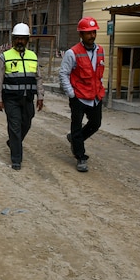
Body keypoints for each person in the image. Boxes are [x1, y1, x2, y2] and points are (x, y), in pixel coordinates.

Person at [0, 23, 44, 170]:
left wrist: (40, 96)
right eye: (17, 39)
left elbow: (38, 78)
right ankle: (16, 158)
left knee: (27, 123)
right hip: (11, 99)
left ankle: (13, 142)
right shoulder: (5, 57)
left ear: (27, 40)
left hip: (28, 98)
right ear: (13, 39)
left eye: (23, 39)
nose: (20, 42)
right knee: (14, 126)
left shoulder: (32, 56)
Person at [59, 16, 106, 172]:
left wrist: (101, 88)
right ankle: (80, 157)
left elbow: (98, 73)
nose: (92, 36)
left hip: (95, 96)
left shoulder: (100, 51)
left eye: (93, 32)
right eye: (88, 33)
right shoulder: (72, 53)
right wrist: (71, 93)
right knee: (77, 126)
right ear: (81, 35)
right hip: (79, 96)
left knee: (95, 123)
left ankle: (74, 139)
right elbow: (63, 73)